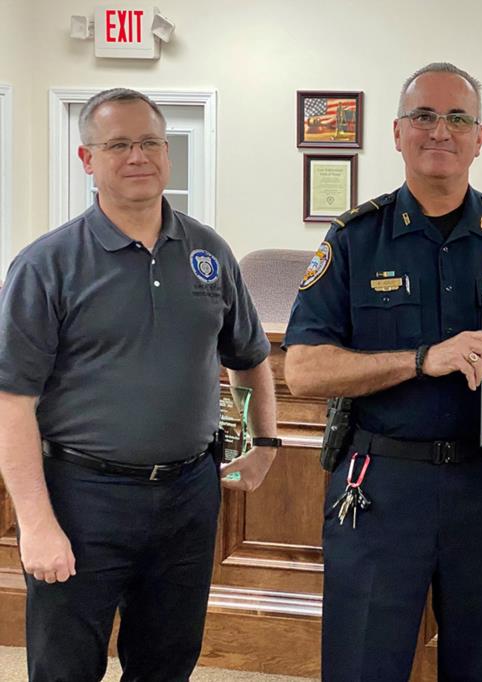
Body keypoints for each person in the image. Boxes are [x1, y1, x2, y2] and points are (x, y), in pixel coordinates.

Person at [283, 63, 482, 682]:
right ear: (397, 133)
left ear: (480, 137)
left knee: (479, 664)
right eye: (423, 116)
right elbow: (304, 372)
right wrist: (421, 359)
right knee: (363, 664)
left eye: (457, 118)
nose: (440, 131)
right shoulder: (354, 239)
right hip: (382, 485)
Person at [0, 88, 279, 681]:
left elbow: (249, 356)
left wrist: (265, 443)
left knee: (167, 663)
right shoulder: (46, 265)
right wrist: (36, 524)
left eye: (150, 142)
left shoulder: (208, 252)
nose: (138, 156)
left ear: (168, 153)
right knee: (65, 667)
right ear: (87, 159)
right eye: (118, 144)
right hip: (82, 497)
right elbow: (11, 402)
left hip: (188, 495)